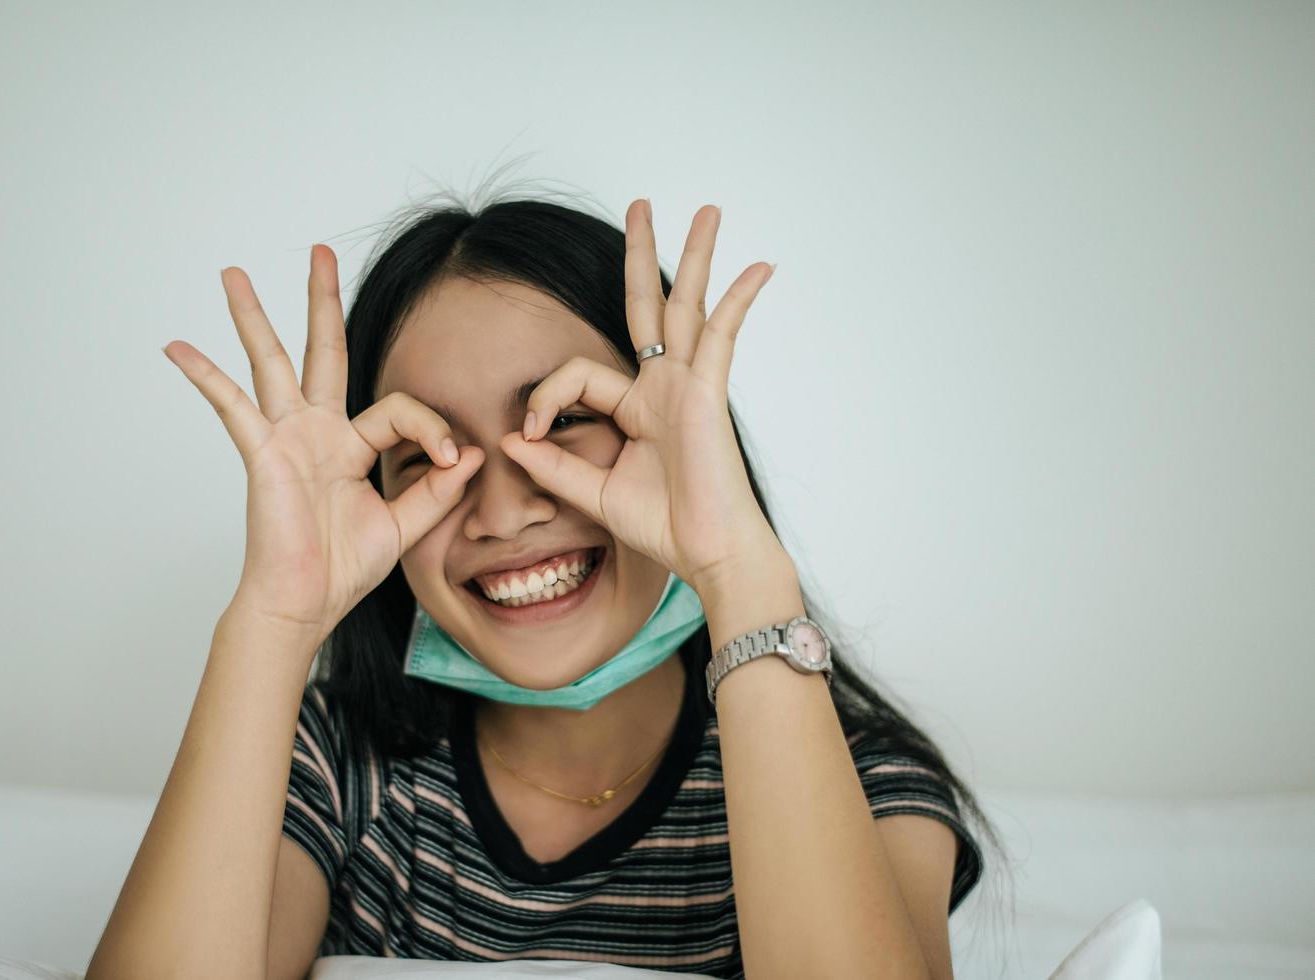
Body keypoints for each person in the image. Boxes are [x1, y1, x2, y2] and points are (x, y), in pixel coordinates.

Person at [88, 190, 1008, 980]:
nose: (501, 510)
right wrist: (274, 620)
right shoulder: (342, 766)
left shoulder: (865, 775)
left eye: (563, 420)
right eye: (425, 456)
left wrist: (740, 567)